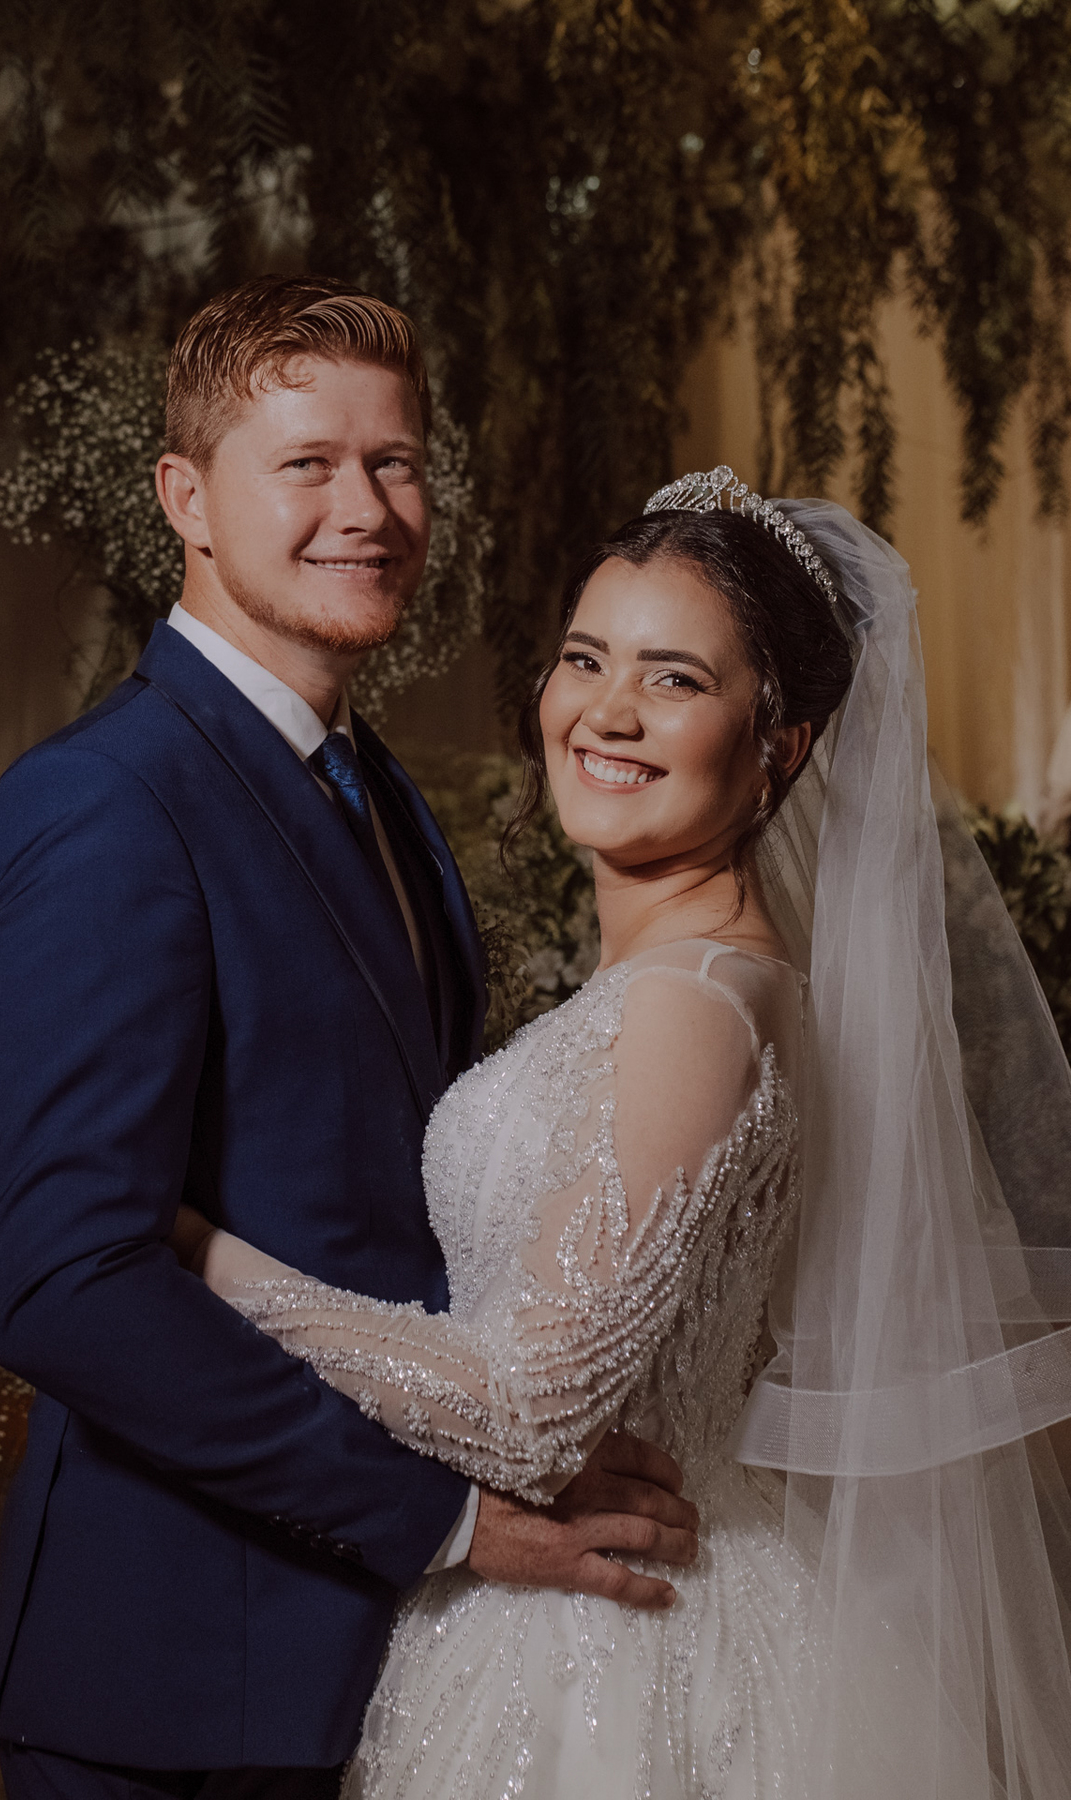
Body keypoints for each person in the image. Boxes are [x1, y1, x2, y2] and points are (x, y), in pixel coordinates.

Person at [171, 469, 1071, 1798]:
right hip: (556, 1607)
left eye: (676, 679)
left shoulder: (694, 1009)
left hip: (619, 1646)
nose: (608, 711)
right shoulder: (682, 983)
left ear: (781, 746)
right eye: (587, 658)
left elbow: (532, 1414)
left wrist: (196, 1252)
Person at [0, 276, 697, 1800]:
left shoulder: (376, 790)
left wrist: (528, 1434)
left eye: (395, 462)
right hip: (178, 1682)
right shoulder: (106, 805)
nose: (365, 509)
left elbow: (390, 1217)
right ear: (186, 498)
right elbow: (64, 1286)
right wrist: (449, 1516)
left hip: (376, 1668)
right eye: (307, 464)